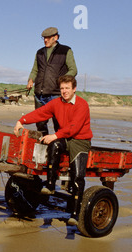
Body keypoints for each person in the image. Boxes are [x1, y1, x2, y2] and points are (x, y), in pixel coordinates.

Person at [14, 75, 92, 226]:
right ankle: (50, 185)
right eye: (62, 88)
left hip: (80, 141)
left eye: (67, 88)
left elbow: (73, 128)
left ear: (74, 89)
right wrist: (21, 121)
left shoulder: (82, 105)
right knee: (54, 144)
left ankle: (75, 214)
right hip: (65, 138)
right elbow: (40, 113)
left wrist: (55, 135)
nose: (64, 91)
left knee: (77, 176)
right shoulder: (56, 103)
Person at [27, 27, 78, 136]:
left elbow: (73, 70)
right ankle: (43, 144)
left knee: (59, 124)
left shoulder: (66, 50)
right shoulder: (39, 52)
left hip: (56, 94)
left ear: (56, 37)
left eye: (48, 38)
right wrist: (31, 80)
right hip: (39, 94)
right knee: (40, 123)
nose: (45, 40)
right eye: (44, 38)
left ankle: (59, 146)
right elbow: (35, 70)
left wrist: (62, 82)